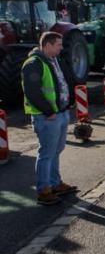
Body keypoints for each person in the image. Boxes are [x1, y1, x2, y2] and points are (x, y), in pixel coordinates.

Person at [21, 32, 78, 206]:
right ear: (47, 45)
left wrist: (67, 105)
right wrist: (48, 111)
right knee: (46, 153)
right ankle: (44, 190)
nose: (61, 48)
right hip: (47, 117)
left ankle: (55, 183)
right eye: (58, 45)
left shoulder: (54, 61)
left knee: (56, 150)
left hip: (59, 113)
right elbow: (32, 92)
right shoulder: (34, 63)